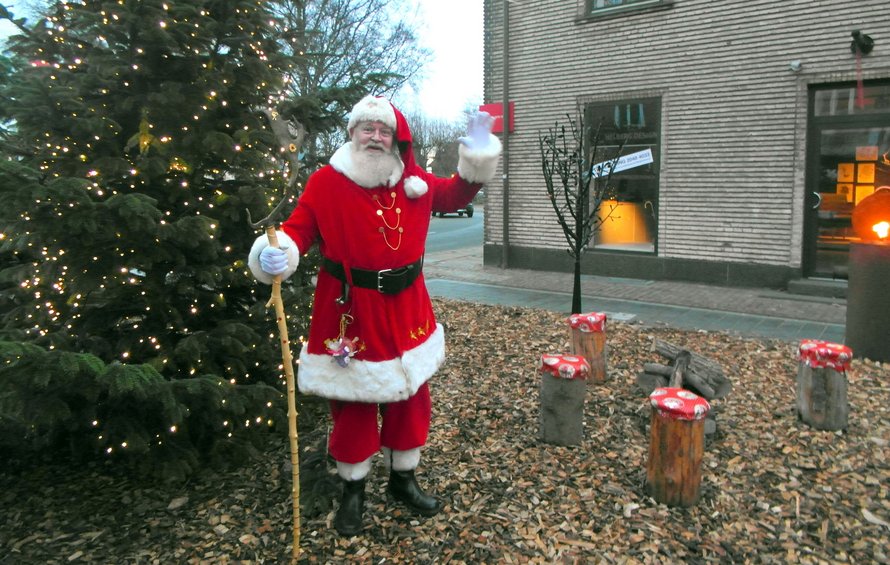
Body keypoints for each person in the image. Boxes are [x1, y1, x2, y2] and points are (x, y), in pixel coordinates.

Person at [248, 95, 501, 536]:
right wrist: (277, 253)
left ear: (394, 138)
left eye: (384, 131)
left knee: (411, 396)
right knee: (353, 403)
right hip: (350, 309)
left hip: (407, 308)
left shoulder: (412, 181)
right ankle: (353, 491)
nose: (376, 137)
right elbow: (297, 229)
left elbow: (458, 191)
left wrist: (478, 147)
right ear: (353, 133)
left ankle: (403, 479)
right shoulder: (326, 182)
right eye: (368, 129)